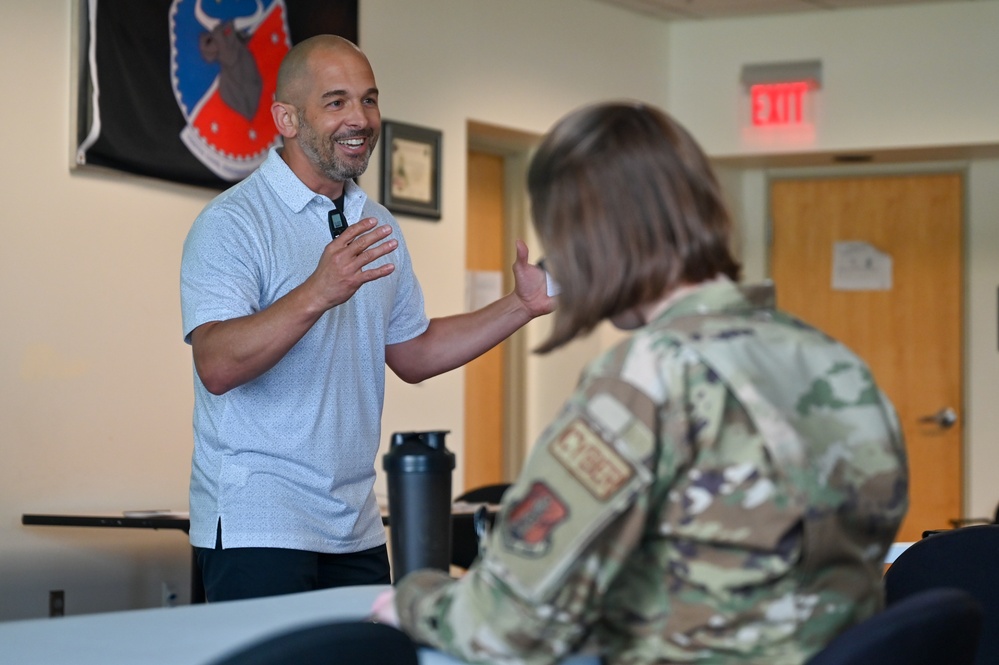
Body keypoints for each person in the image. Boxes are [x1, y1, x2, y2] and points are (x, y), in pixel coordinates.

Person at [371, 102, 909, 664]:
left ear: (594, 237)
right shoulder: (835, 364)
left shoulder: (647, 375)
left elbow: (505, 626)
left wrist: (415, 599)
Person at [179, 34, 553, 602]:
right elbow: (216, 364)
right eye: (336, 102)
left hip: (353, 528)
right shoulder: (233, 223)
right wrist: (318, 292)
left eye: (369, 100)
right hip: (260, 522)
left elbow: (414, 352)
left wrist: (520, 306)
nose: (360, 118)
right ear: (286, 117)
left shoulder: (375, 222)